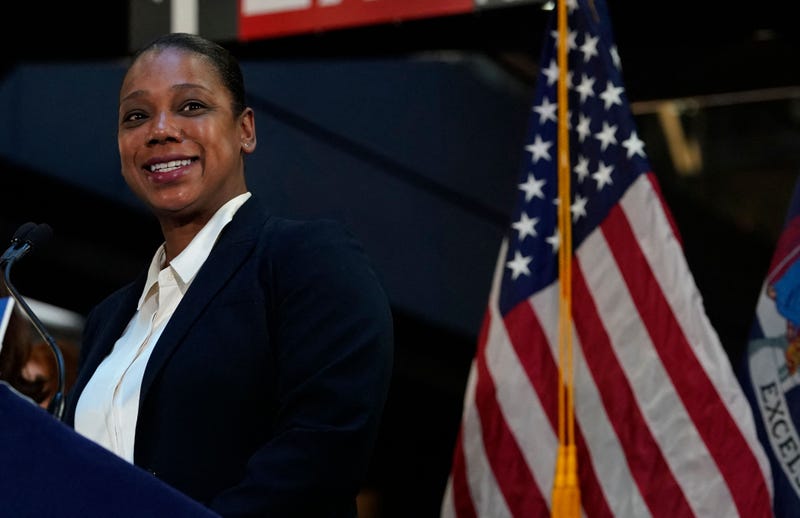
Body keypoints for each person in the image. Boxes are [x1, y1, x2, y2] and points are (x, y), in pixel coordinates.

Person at [63, 32, 394, 517]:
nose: (160, 129)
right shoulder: (108, 318)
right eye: (136, 116)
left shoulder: (305, 260)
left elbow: (323, 449)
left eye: (191, 106)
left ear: (245, 130)